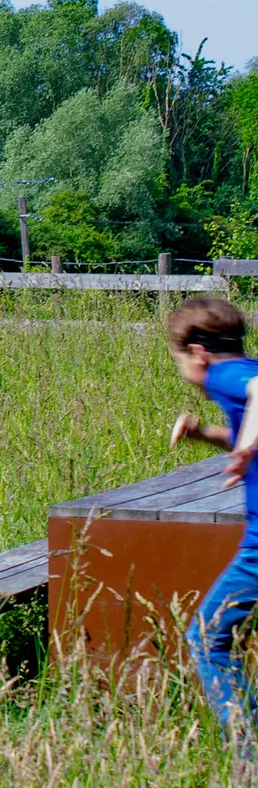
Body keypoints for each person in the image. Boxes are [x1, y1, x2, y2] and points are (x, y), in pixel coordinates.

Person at [169, 297, 258, 757]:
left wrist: (244, 450)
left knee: (207, 637)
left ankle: (248, 754)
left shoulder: (226, 375)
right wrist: (210, 435)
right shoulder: (243, 371)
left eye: (179, 361)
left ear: (198, 352)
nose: (183, 372)